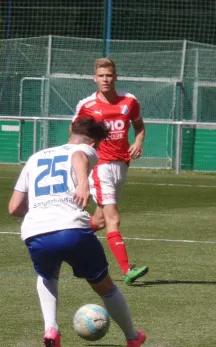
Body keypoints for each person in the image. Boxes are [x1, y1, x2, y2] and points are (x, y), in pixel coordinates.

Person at [8, 117, 147, 347]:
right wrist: (83, 182)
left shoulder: (35, 157)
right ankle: (132, 338)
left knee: (47, 275)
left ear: (70, 129)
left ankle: (51, 330)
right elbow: (78, 156)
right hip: (71, 228)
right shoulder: (85, 150)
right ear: (95, 143)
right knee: (105, 286)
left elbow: (13, 208)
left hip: (35, 231)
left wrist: (43, 215)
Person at [72, 57, 149, 285]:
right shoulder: (87, 105)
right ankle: (127, 270)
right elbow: (74, 133)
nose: (105, 79)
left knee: (100, 221)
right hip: (101, 166)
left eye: (109, 75)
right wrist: (83, 155)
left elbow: (140, 126)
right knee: (113, 217)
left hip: (122, 165)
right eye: (101, 76)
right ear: (95, 78)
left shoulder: (129, 101)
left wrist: (138, 142)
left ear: (115, 77)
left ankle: (69, 238)